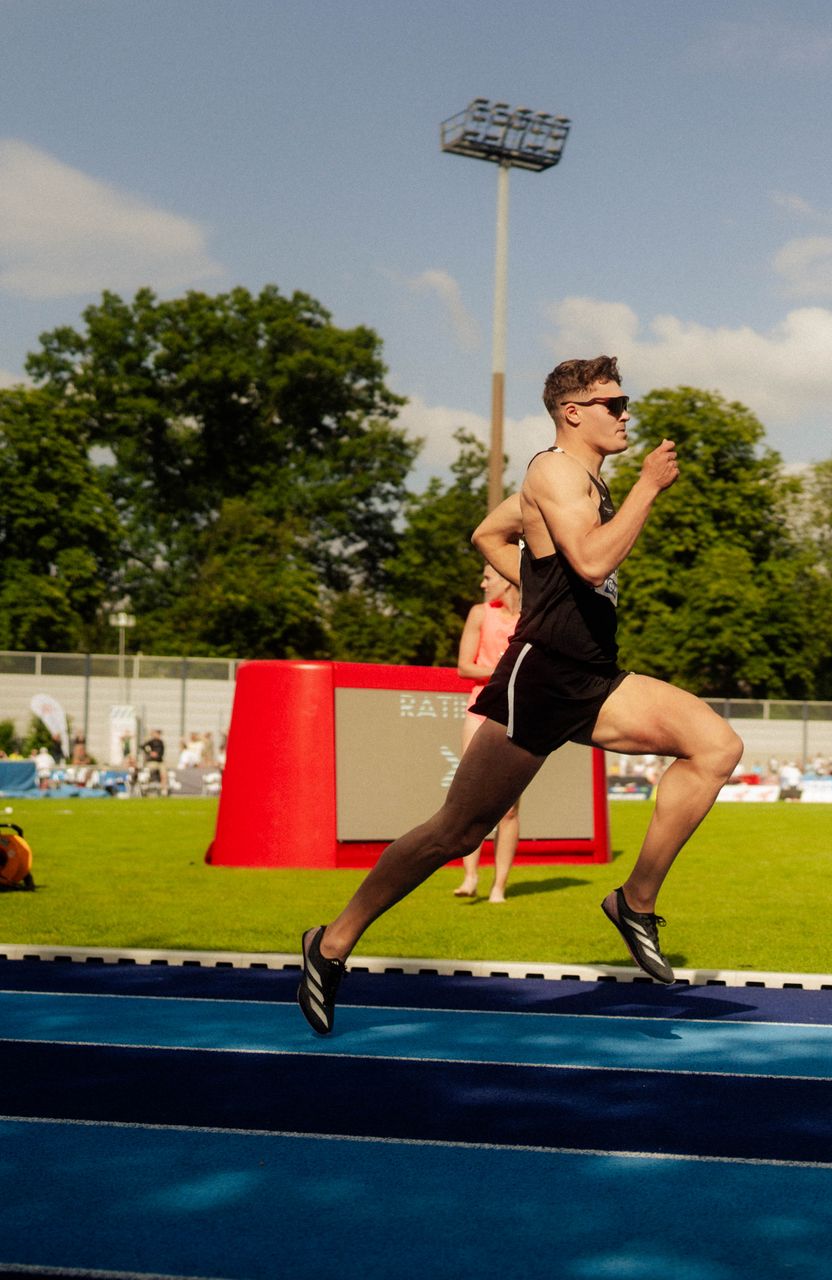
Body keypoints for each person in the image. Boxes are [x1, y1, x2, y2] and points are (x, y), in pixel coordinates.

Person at [299, 356, 743, 1034]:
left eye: (625, 402)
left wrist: (535, 587)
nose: (626, 414)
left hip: (593, 675)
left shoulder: (580, 480)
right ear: (573, 412)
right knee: (456, 829)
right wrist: (648, 489)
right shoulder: (553, 472)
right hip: (541, 676)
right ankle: (331, 943)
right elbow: (593, 561)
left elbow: (487, 534)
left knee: (715, 745)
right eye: (613, 403)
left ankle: (634, 901)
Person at [454, 562, 523, 902]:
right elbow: (464, 666)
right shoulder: (480, 614)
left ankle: (499, 887)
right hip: (479, 711)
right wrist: (500, 670)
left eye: (488, 577)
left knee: (509, 807)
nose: (483, 584)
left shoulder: (533, 618)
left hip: (519, 715)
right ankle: (470, 877)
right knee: (470, 799)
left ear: (508, 580)